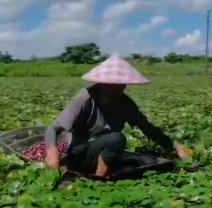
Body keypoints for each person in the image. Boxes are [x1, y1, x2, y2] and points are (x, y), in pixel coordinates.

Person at [44, 53, 190, 177]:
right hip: (81, 154)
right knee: (116, 138)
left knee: (148, 163)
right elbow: (53, 129)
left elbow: (148, 129)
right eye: (114, 83)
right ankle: (98, 179)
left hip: (108, 153)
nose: (120, 86)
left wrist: (175, 147)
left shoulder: (125, 103)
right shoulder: (85, 98)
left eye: (122, 83)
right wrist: (52, 153)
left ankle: (106, 170)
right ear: (102, 82)